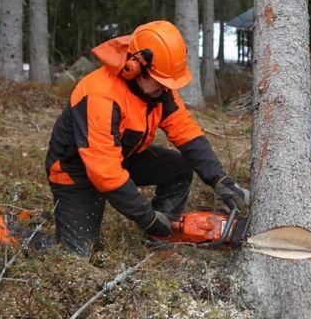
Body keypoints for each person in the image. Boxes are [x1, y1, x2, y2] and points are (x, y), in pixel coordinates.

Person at [46, 20, 249, 256]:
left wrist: (220, 179)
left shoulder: (158, 89)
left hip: (120, 156)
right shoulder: (101, 95)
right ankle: (4, 231)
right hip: (75, 172)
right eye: (161, 82)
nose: (166, 89)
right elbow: (105, 173)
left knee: (179, 168)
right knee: (75, 255)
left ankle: (160, 239)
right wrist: (148, 218)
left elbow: (186, 131)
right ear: (135, 67)